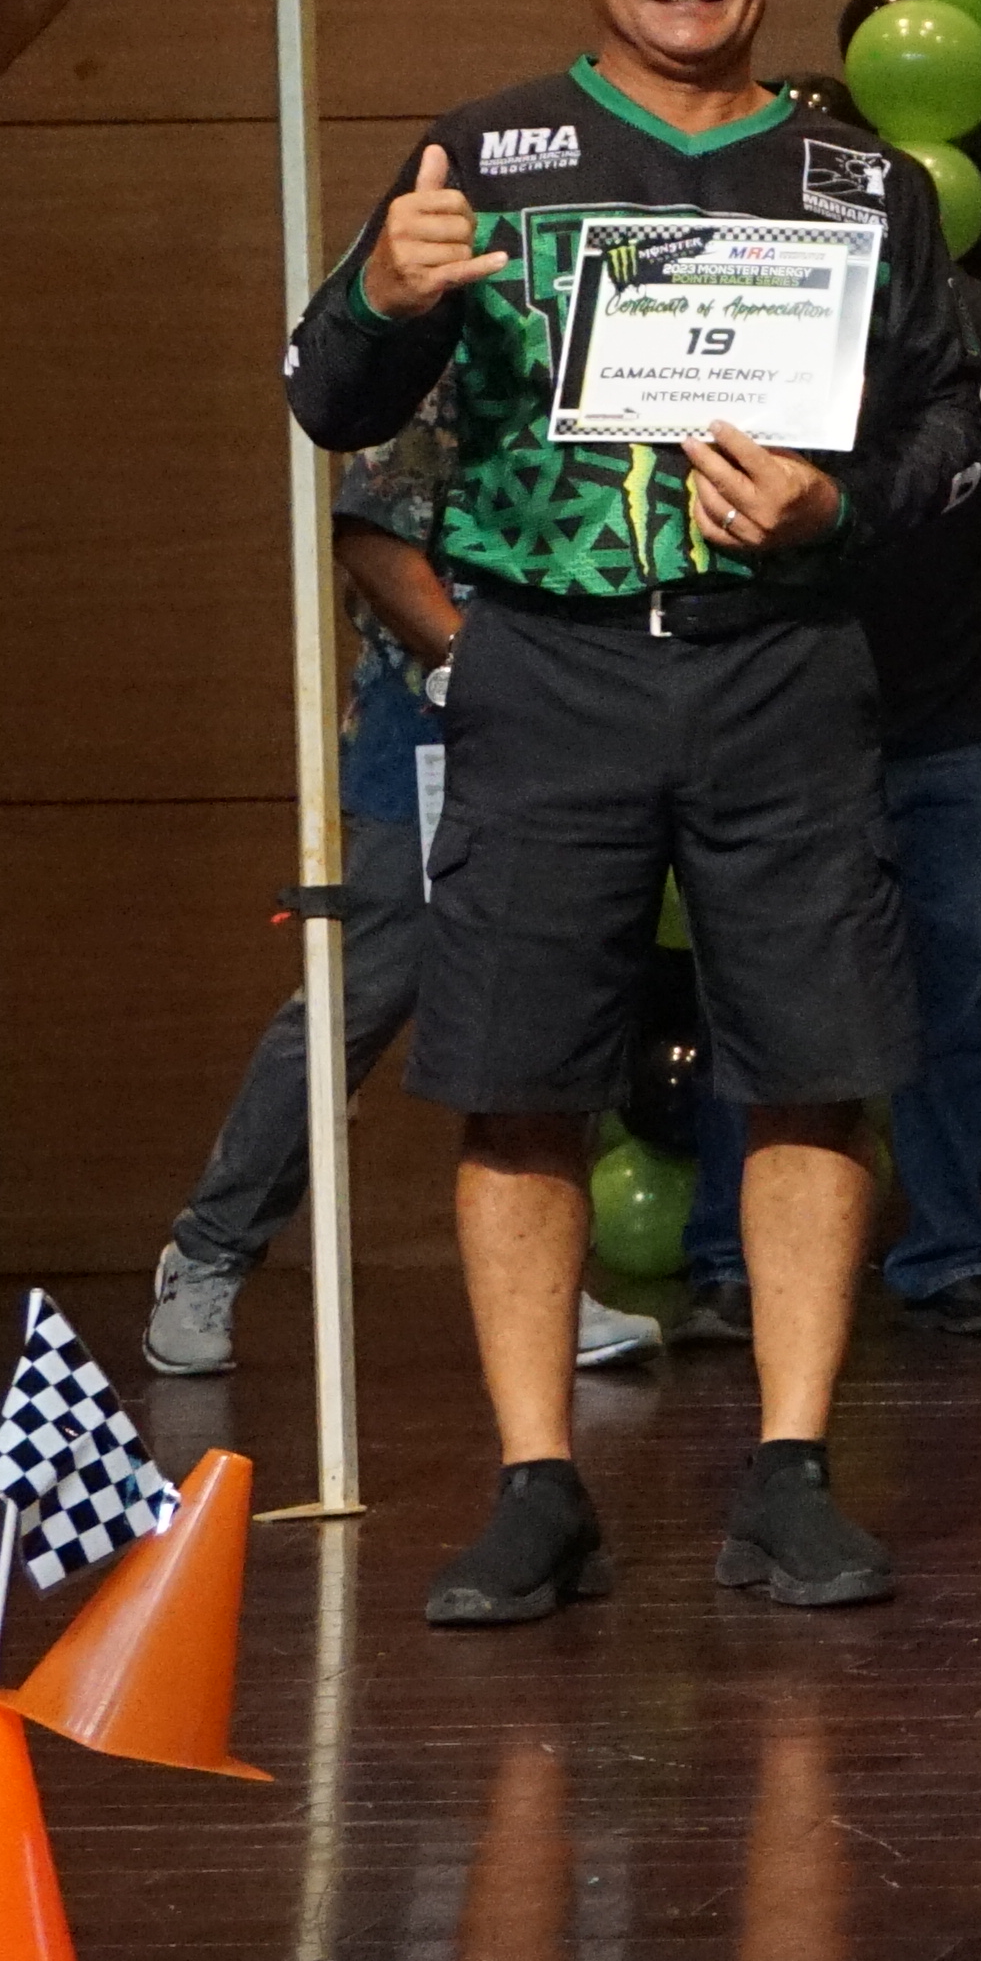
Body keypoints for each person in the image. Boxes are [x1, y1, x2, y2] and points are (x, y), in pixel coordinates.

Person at [279, 0, 981, 1627]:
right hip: (552, 664)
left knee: (819, 1062)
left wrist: (839, 509)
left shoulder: (860, 183)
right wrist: (380, 288)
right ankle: (536, 1486)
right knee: (515, 1075)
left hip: (784, 667)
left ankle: (791, 1470)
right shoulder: (487, 154)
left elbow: (956, 439)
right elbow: (324, 388)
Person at [141, 399, 664, 1381]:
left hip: (583, 726)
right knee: (359, 996)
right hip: (425, 731)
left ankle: (554, 1284)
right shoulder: (460, 372)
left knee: (554, 1002)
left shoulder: (626, 369)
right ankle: (209, 1252)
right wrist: (482, 664)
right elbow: (373, 535)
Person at [672, 269, 981, 1342]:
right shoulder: (726, 313)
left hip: (948, 724)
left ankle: (948, 1251)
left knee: (951, 995)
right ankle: (731, 1260)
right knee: (755, 991)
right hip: (766, 717)